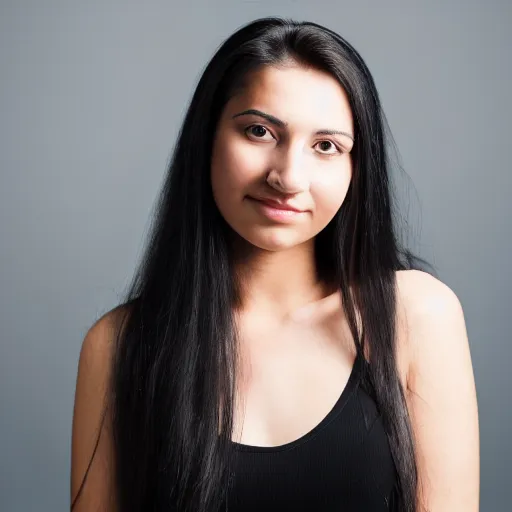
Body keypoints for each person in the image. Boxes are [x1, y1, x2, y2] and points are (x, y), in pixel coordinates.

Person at [70, 16, 479, 512]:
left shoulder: (416, 317)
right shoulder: (120, 345)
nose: (288, 177)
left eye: (326, 146)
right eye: (260, 131)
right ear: (208, 137)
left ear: (356, 167)